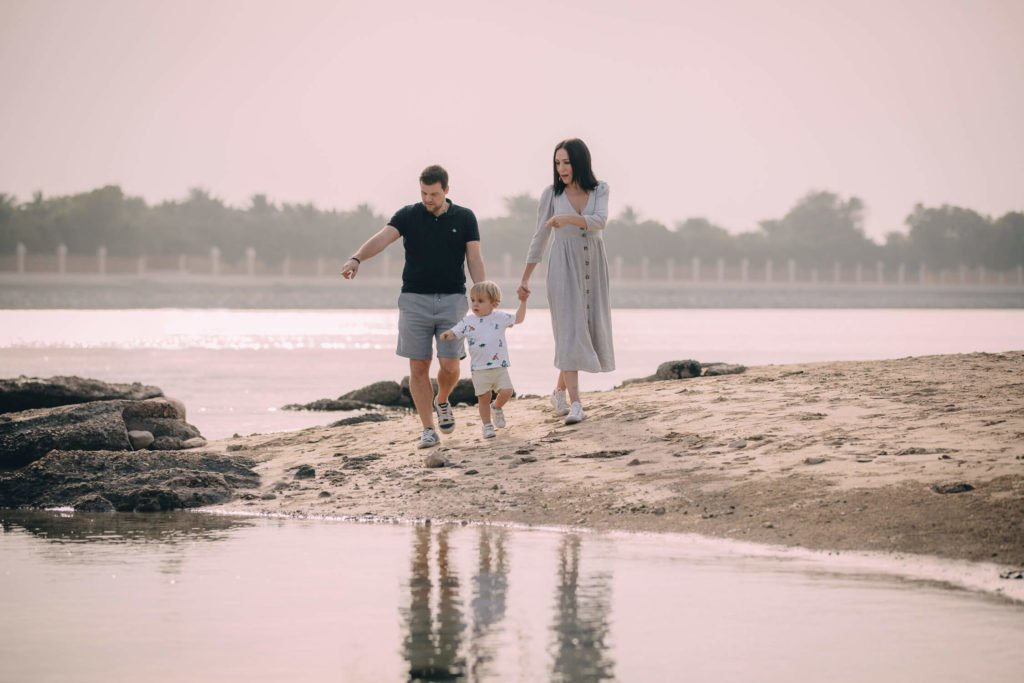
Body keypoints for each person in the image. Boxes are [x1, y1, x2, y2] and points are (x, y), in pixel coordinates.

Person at [341, 165, 485, 448]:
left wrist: (482, 293)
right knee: (418, 366)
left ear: (446, 190)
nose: (428, 199)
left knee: (450, 363)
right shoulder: (408, 215)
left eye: (433, 193)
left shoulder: (465, 217)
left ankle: (442, 399)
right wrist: (356, 258)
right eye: (423, 193)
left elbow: (475, 259)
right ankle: (428, 429)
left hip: (453, 300)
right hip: (414, 301)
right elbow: (382, 238)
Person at [517, 138, 614, 425]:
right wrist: (525, 278)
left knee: (583, 327)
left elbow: (600, 221)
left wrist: (569, 219)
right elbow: (540, 237)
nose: (562, 168)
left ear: (580, 162)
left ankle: (559, 392)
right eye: (557, 163)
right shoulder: (550, 195)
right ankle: (576, 404)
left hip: (593, 265)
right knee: (569, 330)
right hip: (563, 266)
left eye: (567, 162)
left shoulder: (600, 190)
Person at [440, 281, 528, 439]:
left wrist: (523, 302)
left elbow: (519, 318)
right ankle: (487, 425)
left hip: (499, 366)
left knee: (507, 391)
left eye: (480, 301)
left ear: (493, 303)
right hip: (479, 369)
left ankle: (497, 406)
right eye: (473, 300)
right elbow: (456, 331)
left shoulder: (500, 317)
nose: (475, 304)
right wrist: (448, 334)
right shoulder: (468, 321)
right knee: (483, 398)